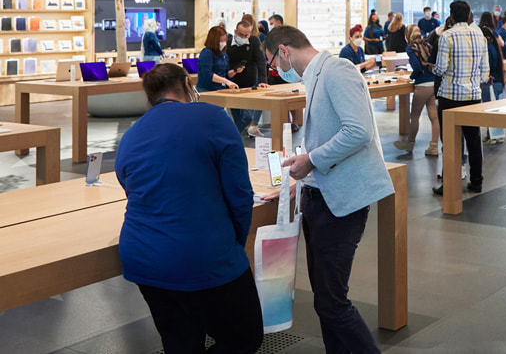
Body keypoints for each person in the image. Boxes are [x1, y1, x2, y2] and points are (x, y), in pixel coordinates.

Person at [262, 26, 393, 353]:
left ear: (284, 51)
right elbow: (326, 137)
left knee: (333, 303)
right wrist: (299, 182)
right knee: (325, 302)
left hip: (340, 204)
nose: (275, 70)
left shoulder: (337, 70)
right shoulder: (314, 78)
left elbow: (358, 131)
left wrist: (312, 160)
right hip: (319, 199)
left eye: (273, 62)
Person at [115, 63, 263, 354]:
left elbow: (127, 183)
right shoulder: (212, 117)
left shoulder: (133, 133)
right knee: (244, 337)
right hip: (204, 255)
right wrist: (234, 244)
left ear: (150, 95)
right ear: (187, 84)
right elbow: (240, 194)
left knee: (180, 343)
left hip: (143, 256)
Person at [432, 0, 489, 195]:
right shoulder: (480, 36)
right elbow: (485, 72)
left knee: (449, 142)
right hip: (473, 96)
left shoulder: (447, 36)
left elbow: (440, 69)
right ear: (469, 15)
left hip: (449, 95)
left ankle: (450, 183)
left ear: (452, 16)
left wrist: (432, 67)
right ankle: (476, 182)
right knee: (474, 141)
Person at [394, 25, 441, 156]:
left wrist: (409, 78)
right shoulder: (427, 45)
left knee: (414, 117)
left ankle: (410, 144)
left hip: (422, 86)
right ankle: (434, 146)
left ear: (407, 35)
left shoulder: (410, 48)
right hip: (433, 84)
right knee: (434, 117)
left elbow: (417, 66)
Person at [227, 20, 269, 136]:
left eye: (247, 35)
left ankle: (229, 135)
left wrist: (262, 81)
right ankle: (234, 139)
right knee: (237, 117)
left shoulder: (254, 40)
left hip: (251, 83)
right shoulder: (228, 43)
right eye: (241, 35)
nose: (244, 37)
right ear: (235, 31)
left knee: (247, 116)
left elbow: (261, 61)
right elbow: (226, 64)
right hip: (233, 84)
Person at [196, 26, 240, 92]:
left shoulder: (223, 54)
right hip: (207, 90)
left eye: (224, 40)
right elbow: (207, 74)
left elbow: (225, 74)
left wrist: (234, 71)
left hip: (221, 89)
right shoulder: (207, 52)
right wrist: (226, 81)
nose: (224, 43)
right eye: (221, 40)